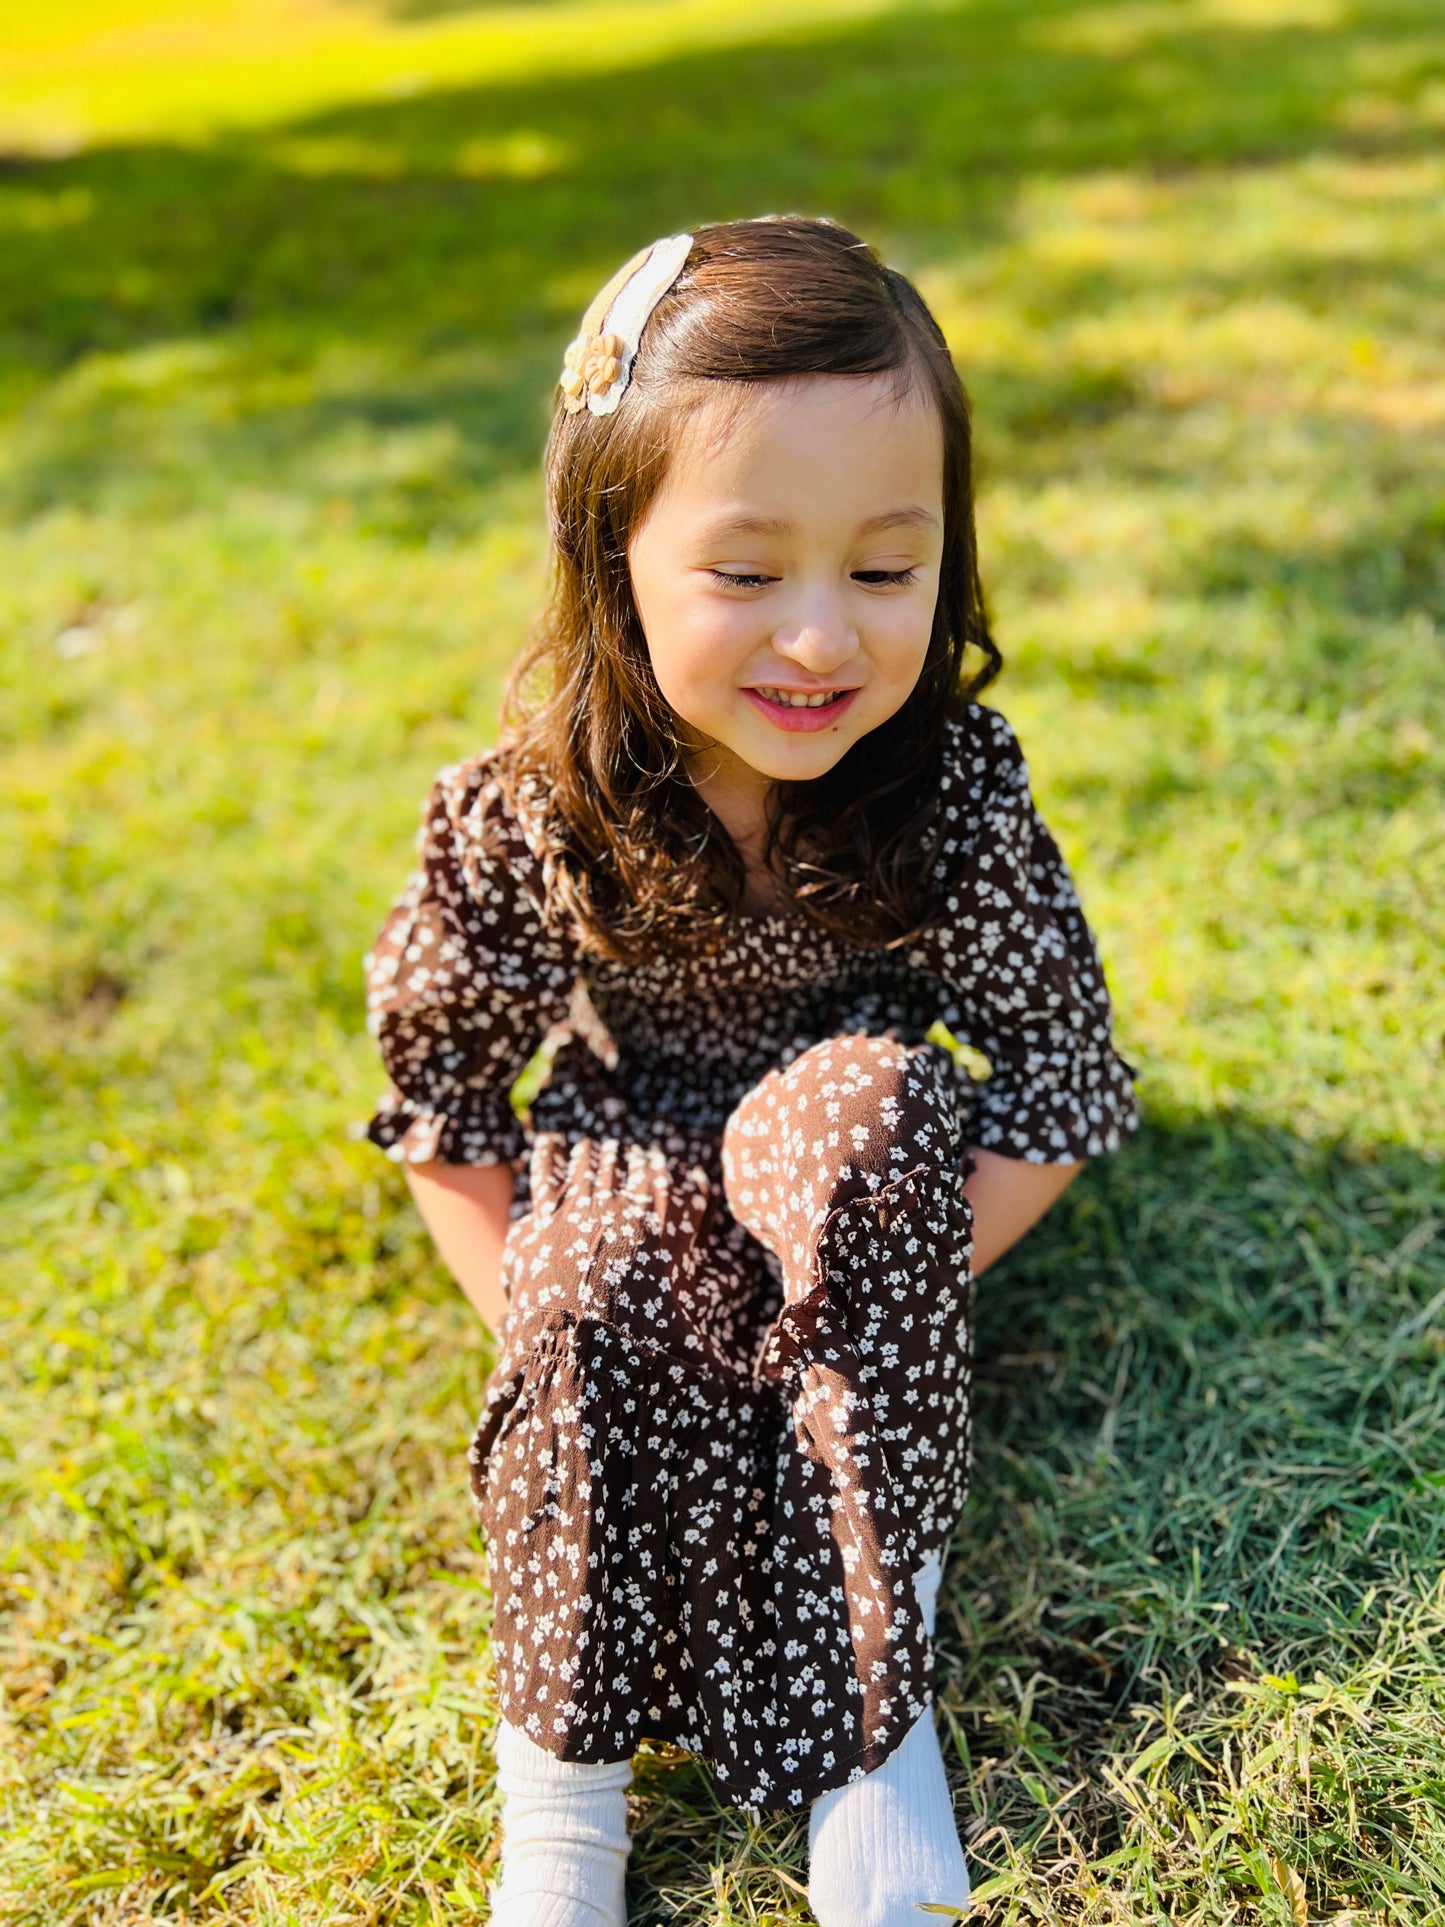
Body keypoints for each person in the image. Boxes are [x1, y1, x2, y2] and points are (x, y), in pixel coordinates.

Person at [360, 215, 1139, 1926]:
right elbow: (446, 1112)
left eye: (882, 571)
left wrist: (858, 1297)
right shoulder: (530, 813)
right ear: (610, 550)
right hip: (626, 1138)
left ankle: (874, 1726)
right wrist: (569, 1336)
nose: (819, 641)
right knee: (588, 1291)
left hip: (844, 1135)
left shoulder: (940, 789)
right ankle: (562, 1818)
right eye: (742, 571)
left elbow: (1061, 1083)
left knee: (861, 1131)